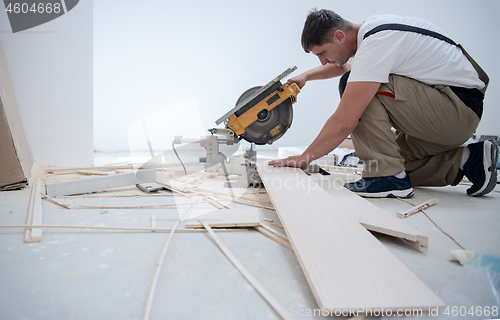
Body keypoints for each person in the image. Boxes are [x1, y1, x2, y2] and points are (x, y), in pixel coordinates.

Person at [268, 9, 498, 198]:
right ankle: (469, 160)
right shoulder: (374, 34)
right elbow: (343, 65)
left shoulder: (379, 41)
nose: (323, 60)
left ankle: (388, 179)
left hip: (455, 112)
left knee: (356, 88)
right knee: (389, 162)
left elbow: (344, 122)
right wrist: (305, 76)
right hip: (451, 114)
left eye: (323, 53)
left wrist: (304, 158)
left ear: (339, 36)